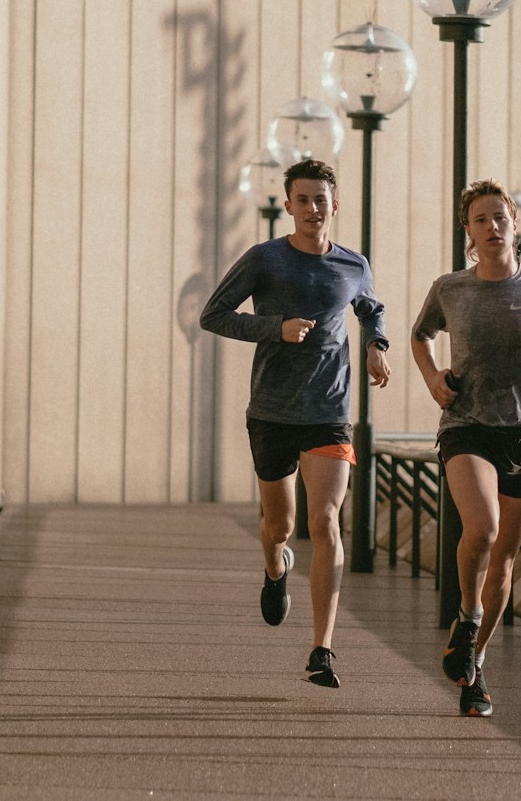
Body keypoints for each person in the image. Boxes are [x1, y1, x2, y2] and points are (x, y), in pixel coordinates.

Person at [200, 157, 390, 689]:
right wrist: (274, 329)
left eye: (321, 200)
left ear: (335, 205)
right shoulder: (265, 259)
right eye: (302, 200)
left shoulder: (353, 264)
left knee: (326, 521)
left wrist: (377, 345)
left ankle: (323, 650)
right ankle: (275, 565)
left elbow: (371, 308)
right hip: (272, 411)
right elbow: (213, 314)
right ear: (288, 205)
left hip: (330, 412)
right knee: (279, 525)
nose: (312, 209)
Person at [412, 179, 521, 716]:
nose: (491, 228)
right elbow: (420, 336)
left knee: (504, 560)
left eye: (499, 218)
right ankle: (466, 615)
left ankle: (475, 667)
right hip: (465, 426)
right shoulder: (451, 288)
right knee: (480, 529)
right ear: (468, 230)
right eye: (480, 220)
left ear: (515, 225)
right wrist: (433, 378)